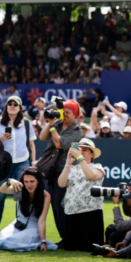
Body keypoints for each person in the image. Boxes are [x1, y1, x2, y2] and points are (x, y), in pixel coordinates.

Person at [38, 99, 82, 243]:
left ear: (75, 114)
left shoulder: (76, 130)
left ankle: (68, 237)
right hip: (52, 169)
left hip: (64, 171)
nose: (65, 115)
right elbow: (42, 137)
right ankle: (64, 238)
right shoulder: (56, 124)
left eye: (68, 112)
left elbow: (59, 144)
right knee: (55, 206)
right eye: (64, 112)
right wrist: (50, 121)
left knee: (63, 205)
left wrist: (51, 125)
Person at [0, 167, 57, 252]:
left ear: (38, 181)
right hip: (18, 225)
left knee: (11, 242)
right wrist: (10, 181)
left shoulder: (45, 195)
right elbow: (2, 190)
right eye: (26, 181)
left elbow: (42, 220)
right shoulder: (19, 190)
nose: (29, 185)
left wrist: (43, 242)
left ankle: (34, 240)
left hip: (33, 227)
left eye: (32, 181)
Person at [57, 138, 105, 252]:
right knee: (69, 247)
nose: (81, 152)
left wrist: (80, 158)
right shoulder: (72, 168)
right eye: (79, 149)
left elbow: (91, 176)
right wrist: (68, 164)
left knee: (88, 248)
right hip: (72, 212)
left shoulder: (97, 167)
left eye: (85, 150)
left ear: (92, 154)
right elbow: (61, 184)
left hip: (91, 213)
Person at [0, 95, 36, 226]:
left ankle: (20, 225)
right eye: (10, 104)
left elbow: (31, 145)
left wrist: (33, 163)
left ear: (19, 108)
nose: (12, 106)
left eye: (15, 104)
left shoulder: (27, 123)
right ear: (6, 107)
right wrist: (1, 139)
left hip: (22, 162)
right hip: (4, 164)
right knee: (0, 196)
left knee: (20, 195)